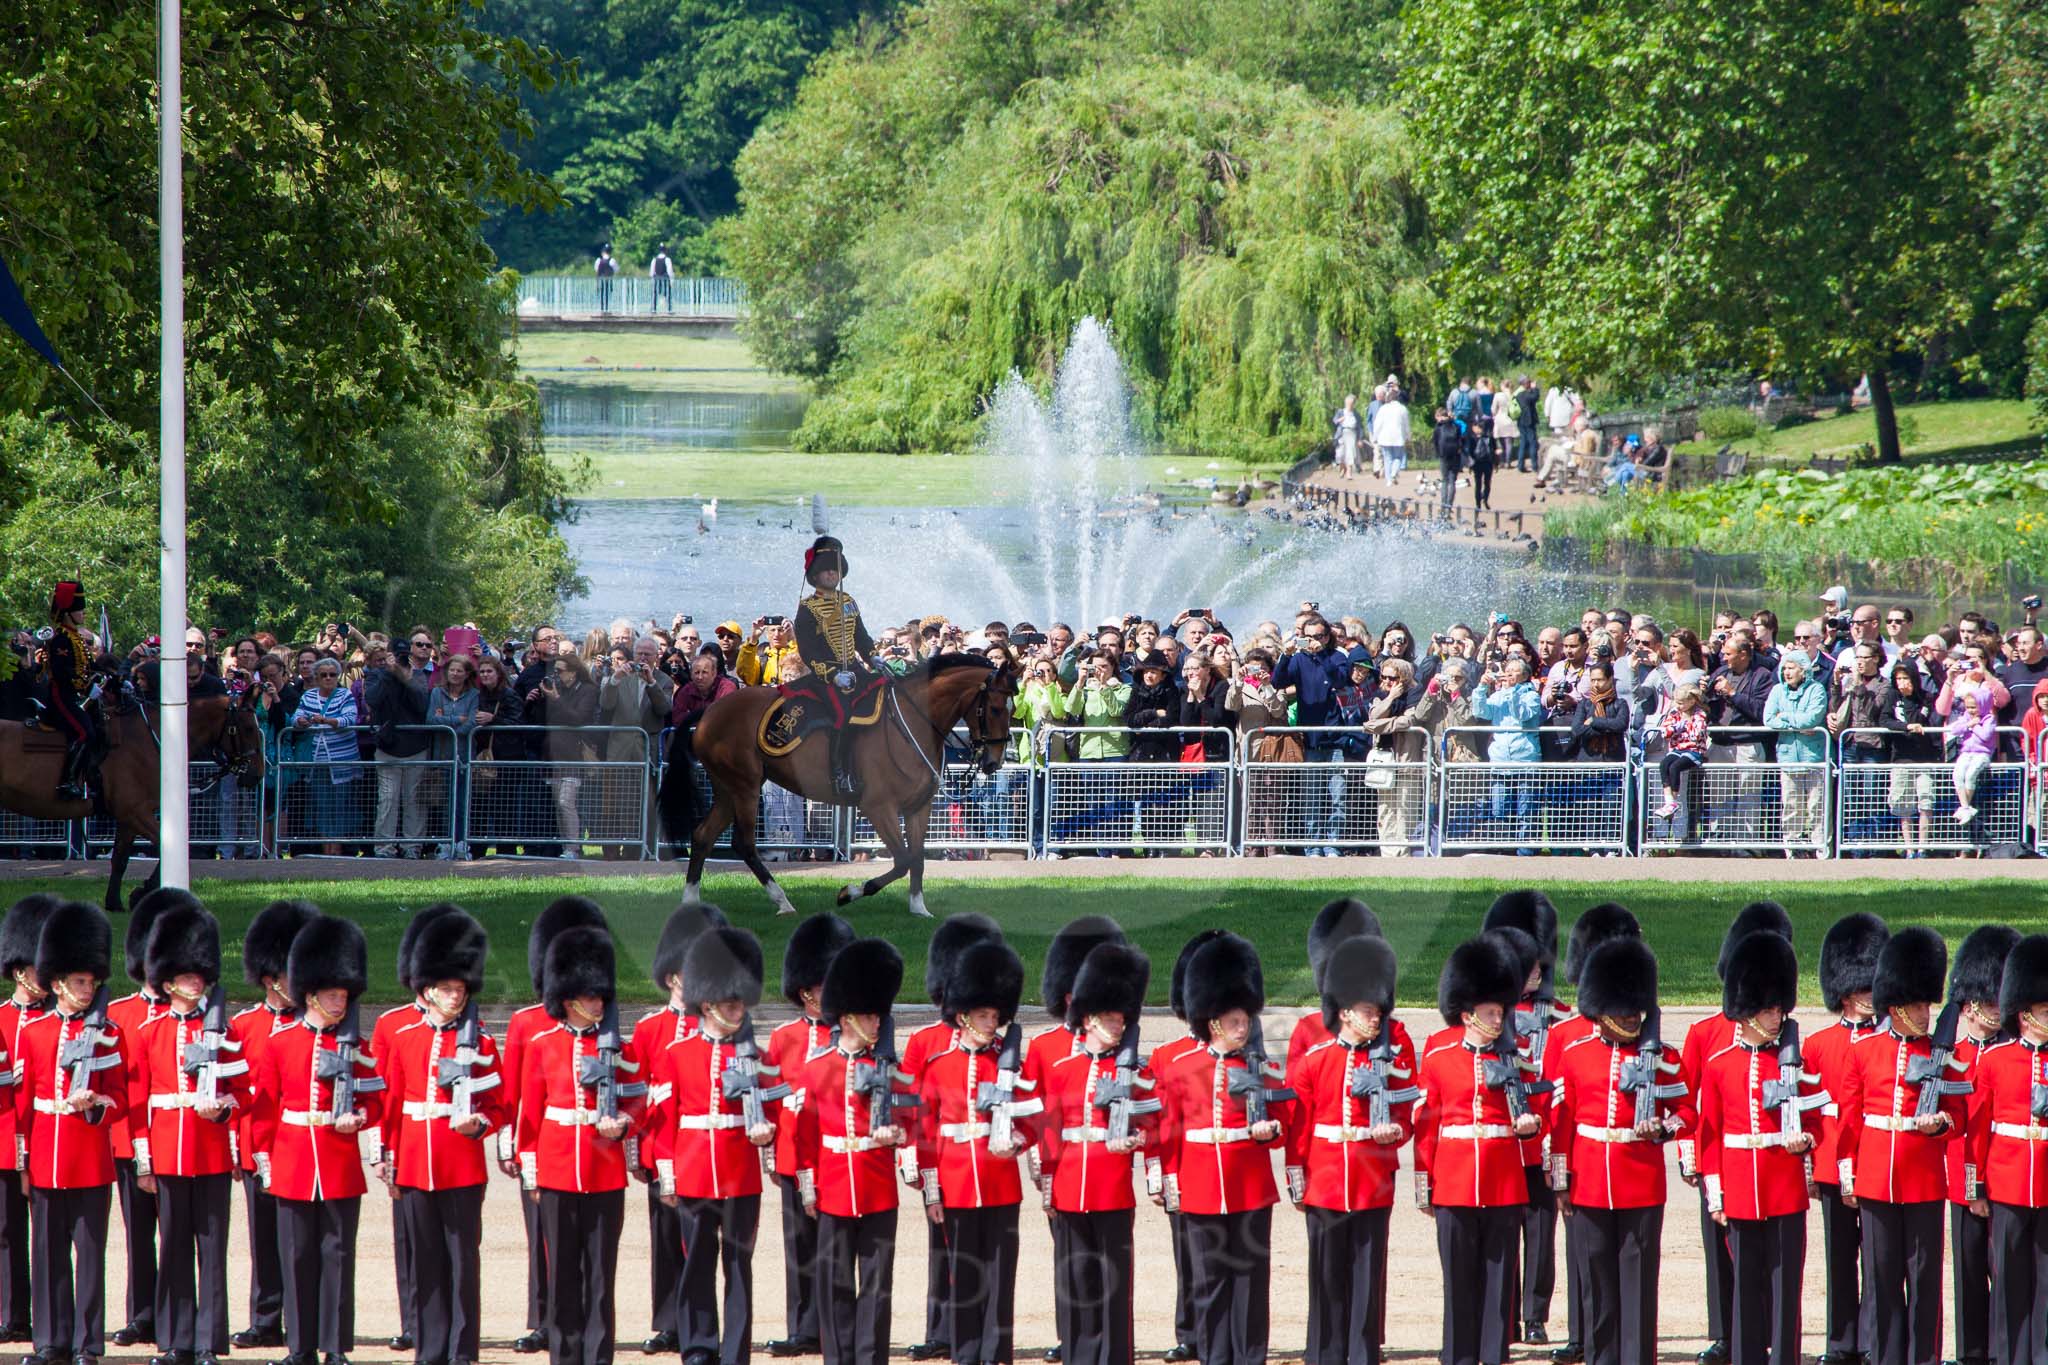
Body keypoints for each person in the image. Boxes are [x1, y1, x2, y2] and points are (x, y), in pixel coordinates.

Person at [247, 914, 384, 1365]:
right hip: (293, 1163)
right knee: (297, 1256)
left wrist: (359, 1117)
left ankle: (335, 1346)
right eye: (333, 995)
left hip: (339, 1162)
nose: (340, 1002)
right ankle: (300, 1347)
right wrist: (265, 1163)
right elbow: (264, 1110)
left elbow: (377, 1102)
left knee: (338, 1258)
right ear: (310, 994)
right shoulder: (281, 1042)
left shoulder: (356, 1046)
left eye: (344, 995)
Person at [1547, 939, 1687, 1365]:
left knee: (1639, 1281)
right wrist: (1560, 1179)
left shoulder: (1663, 1057)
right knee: (1597, 1282)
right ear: (1600, 1010)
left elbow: (1687, 1112)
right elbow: (1561, 1122)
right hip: (1588, 1181)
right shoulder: (1575, 1054)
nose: (1631, 1017)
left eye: (1635, 1010)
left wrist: (1663, 1129)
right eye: (1623, 1010)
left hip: (1641, 1181)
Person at [647, 927, 781, 1365]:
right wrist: (668, 1173)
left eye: (740, 1002)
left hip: (740, 1174)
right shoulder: (677, 1052)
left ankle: (734, 1351)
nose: (738, 1009)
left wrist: (768, 1134)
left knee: (739, 1269)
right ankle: (699, 1347)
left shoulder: (757, 1057)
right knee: (696, 1265)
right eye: (730, 1003)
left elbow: (776, 1111)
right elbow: (663, 1123)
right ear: (707, 1004)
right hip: (694, 1173)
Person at [517, 924, 646, 1365]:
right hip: (555, 1173)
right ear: (569, 999)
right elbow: (529, 1117)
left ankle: (598, 1357)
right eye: (590, 997)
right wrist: (532, 1173)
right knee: (563, 1275)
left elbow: (639, 1102)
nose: (598, 1003)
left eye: (600, 996)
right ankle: (565, 1356)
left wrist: (625, 1123)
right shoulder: (542, 1045)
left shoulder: (619, 1049)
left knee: (600, 1276)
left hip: (604, 1171)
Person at [1835, 929, 1964, 1365]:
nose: (1925, 1013)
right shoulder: (1866, 1051)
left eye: (1927, 1005)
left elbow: (1958, 1114)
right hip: (1875, 1179)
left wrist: (1940, 1124)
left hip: (1925, 1180)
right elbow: (1849, 1120)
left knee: (1924, 1278)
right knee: (1882, 1277)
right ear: (1896, 1007)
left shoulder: (1943, 1053)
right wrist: (1848, 1175)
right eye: (1916, 1006)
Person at [129, 903, 250, 1365]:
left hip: (212, 1151)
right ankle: (176, 1340)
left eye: (199, 975)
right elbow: (138, 1103)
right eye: (186, 975)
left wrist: (223, 1114)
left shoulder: (225, 1029)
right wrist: (144, 1161)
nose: (195, 982)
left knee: (211, 1250)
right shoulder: (148, 1031)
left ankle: (207, 1342)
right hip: (166, 1151)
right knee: (174, 1247)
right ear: (166, 981)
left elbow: (245, 1090)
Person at [1284, 935, 1413, 1365]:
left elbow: (1407, 1113)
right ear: (1343, 1012)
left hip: (1372, 1178)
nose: (1375, 1018)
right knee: (1325, 1274)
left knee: (1366, 1273)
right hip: (1324, 1180)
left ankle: (1362, 1352)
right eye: (1366, 1011)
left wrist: (1393, 1132)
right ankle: (1325, 1350)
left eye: (1377, 1011)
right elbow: (1299, 1128)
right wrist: (1297, 1179)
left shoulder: (1387, 1061)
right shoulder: (1316, 1060)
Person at [1416, 935, 1545, 1365]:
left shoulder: (1518, 1057)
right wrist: (1424, 1185)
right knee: (1459, 1279)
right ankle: (1458, 1354)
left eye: (1500, 1010)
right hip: (1452, 1183)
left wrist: (1529, 1129)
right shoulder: (1439, 1058)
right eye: (1491, 1012)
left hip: (1504, 1181)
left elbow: (1538, 1110)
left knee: (1497, 1277)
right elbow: (1427, 1125)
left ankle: (1494, 1355)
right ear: (1468, 1014)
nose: (1499, 1017)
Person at [1156, 933, 1281, 1365]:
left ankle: (1250, 1357)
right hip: (1202, 1185)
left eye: (1245, 1020)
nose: (1244, 1027)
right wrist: (1170, 1180)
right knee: (1209, 1284)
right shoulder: (1182, 1067)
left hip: (1250, 1185)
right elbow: (1167, 1130)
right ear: (1212, 1023)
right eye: (1235, 1021)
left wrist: (1271, 1130)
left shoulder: (1262, 1068)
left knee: (1250, 1281)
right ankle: (1214, 1355)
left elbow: (1289, 1117)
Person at [1696, 930, 1820, 1365]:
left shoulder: (1796, 1063)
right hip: (1741, 1188)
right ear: (1746, 1011)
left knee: (1787, 1285)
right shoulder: (1718, 1065)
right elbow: (1708, 1135)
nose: (1776, 1015)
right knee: (1745, 1284)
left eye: (1779, 1007)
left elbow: (1818, 1118)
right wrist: (1716, 1194)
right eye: (1768, 1008)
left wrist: (1807, 1141)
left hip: (1784, 1183)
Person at [793, 939, 917, 1365]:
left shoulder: (890, 1071)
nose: (877, 1022)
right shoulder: (817, 1068)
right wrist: (809, 1188)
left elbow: (914, 1119)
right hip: (832, 1189)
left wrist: (898, 1137)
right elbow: (804, 1136)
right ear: (846, 1018)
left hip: (878, 1189)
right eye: (868, 1015)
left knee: (877, 1287)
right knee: (836, 1284)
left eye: (877, 1014)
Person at [911, 939, 1033, 1365]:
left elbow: (1034, 1119)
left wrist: (1019, 1137)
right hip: (957, 1180)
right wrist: (931, 1191)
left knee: (1000, 1275)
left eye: (996, 1016)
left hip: (1001, 1182)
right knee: (962, 1275)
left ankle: (996, 1351)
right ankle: (964, 1352)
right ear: (963, 1016)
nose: (991, 1023)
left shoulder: (1010, 1063)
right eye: (983, 1015)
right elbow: (925, 1130)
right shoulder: (939, 1062)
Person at [501, 898, 611, 1358]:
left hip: (588, 1155)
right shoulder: (528, 1023)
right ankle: (540, 1317)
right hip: (545, 1147)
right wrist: (514, 1146)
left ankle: (574, 1328)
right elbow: (514, 1092)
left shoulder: (605, 1030)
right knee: (542, 1239)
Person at [899, 916, 1005, 1364]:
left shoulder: (999, 1047)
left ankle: (968, 1332)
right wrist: (912, 1160)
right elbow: (910, 1108)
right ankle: (939, 1328)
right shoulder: (925, 1042)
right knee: (941, 1245)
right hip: (940, 1155)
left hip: (980, 1162)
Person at [763, 914, 855, 1359]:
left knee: (837, 1250)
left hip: (837, 1157)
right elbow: (768, 1098)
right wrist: (774, 1155)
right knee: (799, 1246)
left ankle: (837, 1326)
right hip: (794, 1156)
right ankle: (802, 1327)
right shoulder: (784, 1038)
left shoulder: (852, 1038)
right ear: (806, 992)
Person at [226, 900, 316, 1354]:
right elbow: (235, 1093)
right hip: (257, 1148)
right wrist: (236, 1150)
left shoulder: (313, 1027)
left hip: (300, 1147)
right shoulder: (244, 1025)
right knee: (263, 1239)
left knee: (300, 1242)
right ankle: (266, 1318)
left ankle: (305, 1321)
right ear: (269, 978)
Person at [1807, 914, 1889, 1365]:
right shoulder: (1818, 1045)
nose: (1870, 998)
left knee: (1878, 1260)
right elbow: (1811, 1113)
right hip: (1830, 1162)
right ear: (1844, 994)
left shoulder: (1885, 1044)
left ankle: (1872, 1339)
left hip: (1875, 1163)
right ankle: (1841, 1340)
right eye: (1863, 991)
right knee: (1840, 1258)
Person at [1963, 933, 2048, 1365]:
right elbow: (1977, 1130)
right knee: (2010, 1278)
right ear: (2026, 1014)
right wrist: (1973, 1186)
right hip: (2008, 1182)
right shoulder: (1996, 1061)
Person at [106, 891, 178, 1353]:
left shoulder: (188, 1017)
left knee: (174, 1234)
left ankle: (173, 1315)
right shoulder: (119, 1015)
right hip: (128, 1142)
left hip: (174, 1139)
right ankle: (142, 1313)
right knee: (138, 1234)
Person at [789, 537, 879, 798]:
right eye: (827, 568)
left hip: (855, 669)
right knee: (842, 714)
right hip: (825, 677)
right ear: (815, 574)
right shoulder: (807, 608)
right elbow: (808, 650)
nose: (832, 573)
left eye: (836, 568)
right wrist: (832, 675)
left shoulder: (849, 600)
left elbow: (861, 636)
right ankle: (839, 772)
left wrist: (874, 658)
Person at [365, 632, 433, 859]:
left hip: (416, 748)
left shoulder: (419, 676)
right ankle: (384, 848)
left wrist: (406, 677)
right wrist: (388, 673)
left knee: (414, 801)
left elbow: (422, 706)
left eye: (405, 655)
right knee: (388, 799)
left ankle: (412, 847)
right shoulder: (377, 675)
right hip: (388, 748)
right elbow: (372, 700)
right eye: (398, 655)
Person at [528, 652, 599, 860]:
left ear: (573, 673)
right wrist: (538, 700)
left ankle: (573, 848)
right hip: (553, 754)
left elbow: (578, 718)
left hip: (574, 755)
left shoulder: (588, 690)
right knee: (558, 805)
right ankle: (567, 846)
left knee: (565, 802)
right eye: (554, 671)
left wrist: (556, 699)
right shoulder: (555, 690)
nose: (556, 676)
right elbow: (543, 719)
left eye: (560, 671)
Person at [290, 659, 359, 856]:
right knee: (320, 806)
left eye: (332, 675)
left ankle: (336, 851)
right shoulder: (309, 695)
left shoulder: (345, 694)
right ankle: (324, 852)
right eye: (323, 675)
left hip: (341, 761)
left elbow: (350, 718)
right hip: (317, 761)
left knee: (340, 807)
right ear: (317, 678)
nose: (328, 678)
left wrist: (327, 721)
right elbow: (295, 717)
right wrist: (302, 721)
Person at [1764, 657, 1829, 856]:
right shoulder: (1777, 690)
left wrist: (1783, 717)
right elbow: (1768, 719)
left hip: (1814, 757)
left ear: (1803, 670)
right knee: (1791, 805)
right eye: (1784, 668)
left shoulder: (1816, 689)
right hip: (1788, 757)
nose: (1786, 672)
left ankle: (1821, 848)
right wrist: (1798, 726)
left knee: (1817, 806)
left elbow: (1813, 718)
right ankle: (1792, 848)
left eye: (1791, 668)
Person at [427, 654, 482, 860]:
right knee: (444, 802)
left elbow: (471, 723)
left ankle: (461, 843)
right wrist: (455, 719)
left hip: (464, 755)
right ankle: (445, 843)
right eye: (452, 670)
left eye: (460, 670)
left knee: (462, 802)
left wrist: (447, 723)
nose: (456, 674)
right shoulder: (436, 693)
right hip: (443, 755)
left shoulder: (473, 695)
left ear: (467, 674)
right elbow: (431, 720)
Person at [43, 581, 95, 801]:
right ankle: (68, 780)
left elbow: (88, 666)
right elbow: (63, 673)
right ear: (68, 612)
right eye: (79, 608)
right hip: (61, 696)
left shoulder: (76, 638)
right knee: (84, 733)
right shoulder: (61, 639)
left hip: (73, 695)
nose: (83, 612)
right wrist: (87, 687)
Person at [1369, 386, 1411, 486]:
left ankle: (1388, 480)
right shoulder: (1402, 409)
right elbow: (1406, 425)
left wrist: (1375, 437)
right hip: (1398, 438)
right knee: (1398, 458)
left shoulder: (1383, 409)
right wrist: (1408, 437)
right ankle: (1393, 474)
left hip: (1385, 438)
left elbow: (1377, 424)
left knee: (1387, 458)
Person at [1433, 408, 1464, 511]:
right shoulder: (1456, 426)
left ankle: (1443, 505)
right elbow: (1461, 440)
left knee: (1445, 481)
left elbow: (1435, 442)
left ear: (1439, 416)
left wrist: (1438, 454)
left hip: (1443, 456)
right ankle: (1449, 506)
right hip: (1455, 456)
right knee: (1452, 481)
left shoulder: (1438, 427)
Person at [1333, 396, 1362, 478]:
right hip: (1342, 434)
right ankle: (1343, 468)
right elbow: (1334, 421)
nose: (1350, 405)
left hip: (1352, 434)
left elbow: (1360, 427)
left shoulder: (1356, 414)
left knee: (1350, 453)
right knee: (1340, 453)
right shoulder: (1340, 412)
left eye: (1352, 404)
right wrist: (1339, 420)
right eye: (1348, 404)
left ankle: (1349, 473)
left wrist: (1360, 439)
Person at [650, 244, 675, 314]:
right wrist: (672, 280)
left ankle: (654, 309)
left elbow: (652, 272)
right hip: (665, 280)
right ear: (665, 250)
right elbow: (670, 271)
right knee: (668, 294)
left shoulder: (654, 259)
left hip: (656, 279)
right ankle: (669, 309)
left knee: (655, 294)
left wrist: (652, 279)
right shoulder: (667, 259)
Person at [595, 243, 617, 314]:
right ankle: (606, 309)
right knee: (607, 294)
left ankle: (602, 309)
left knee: (601, 294)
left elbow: (596, 270)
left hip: (600, 280)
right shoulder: (612, 260)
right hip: (609, 280)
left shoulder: (599, 260)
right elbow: (616, 269)